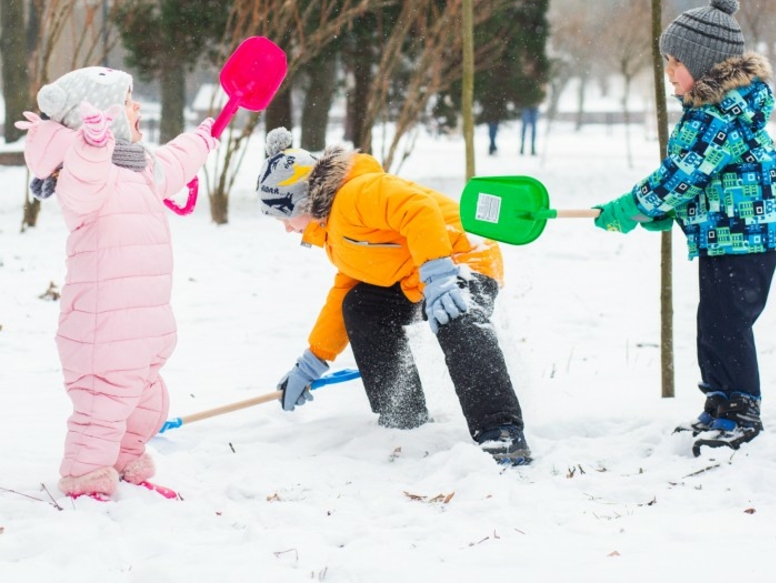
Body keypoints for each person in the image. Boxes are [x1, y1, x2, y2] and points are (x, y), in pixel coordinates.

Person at [256, 127, 531, 464]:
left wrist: (440, 276)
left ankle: (501, 433)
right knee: (360, 306)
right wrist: (313, 360)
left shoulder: (358, 192)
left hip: (461, 257)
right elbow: (347, 284)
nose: (286, 227)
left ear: (302, 199)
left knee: (453, 315)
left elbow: (418, 209)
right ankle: (403, 416)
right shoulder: (333, 229)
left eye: (284, 217)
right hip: (414, 273)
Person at [592, 0, 776, 455]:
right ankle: (719, 402)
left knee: (728, 324)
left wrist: (636, 206)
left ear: (702, 65)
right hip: (723, 236)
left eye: (674, 65)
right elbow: (700, 180)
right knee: (712, 322)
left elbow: (684, 173)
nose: (669, 77)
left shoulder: (721, 115)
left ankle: (743, 410)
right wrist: (670, 211)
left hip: (746, 238)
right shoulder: (714, 111)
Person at [18, 67, 217, 499]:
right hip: (101, 326)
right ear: (105, 115)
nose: (138, 106)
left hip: (145, 324)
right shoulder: (82, 172)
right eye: (128, 100)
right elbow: (85, 181)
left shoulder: (139, 165)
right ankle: (85, 478)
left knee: (146, 402)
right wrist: (91, 145)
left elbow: (174, 163)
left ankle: (124, 459)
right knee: (102, 407)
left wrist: (201, 139)